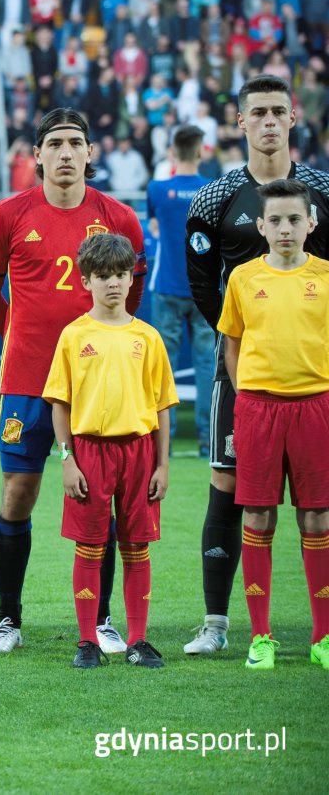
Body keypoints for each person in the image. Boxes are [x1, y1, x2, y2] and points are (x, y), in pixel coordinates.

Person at [0, 107, 147, 656]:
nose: (66, 152)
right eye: (56, 144)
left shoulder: (118, 218)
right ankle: (7, 619)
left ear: (90, 153)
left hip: (99, 384)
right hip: (26, 379)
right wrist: (19, 337)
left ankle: (103, 620)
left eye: (76, 142)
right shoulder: (7, 215)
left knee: (103, 498)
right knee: (18, 494)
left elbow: (131, 296)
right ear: (38, 155)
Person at [182, 75, 329, 656]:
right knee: (228, 484)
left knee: (318, 505)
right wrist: (245, 336)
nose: (268, 122)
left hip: (313, 383)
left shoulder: (322, 190)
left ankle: (319, 630)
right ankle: (217, 624)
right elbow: (200, 285)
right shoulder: (214, 198)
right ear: (240, 124)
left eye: (277, 112)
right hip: (240, 369)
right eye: (257, 113)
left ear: (293, 118)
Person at [43, 234, 177, 669]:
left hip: (138, 454)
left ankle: (137, 641)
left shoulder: (148, 337)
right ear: (86, 281)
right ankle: (87, 642)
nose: (113, 284)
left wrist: (162, 464)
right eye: (103, 276)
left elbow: (161, 407)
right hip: (89, 452)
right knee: (90, 545)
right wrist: (67, 459)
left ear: (130, 276)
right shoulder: (73, 335)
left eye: (120, 274)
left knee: (136, 545)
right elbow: (59, 404)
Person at [215, 178, 329, 671]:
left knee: (318, 519)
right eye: (276, 221)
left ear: (312, 223)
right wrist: (247, 400)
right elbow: (232, 344)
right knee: (258, 518)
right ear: (261, 226)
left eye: (294, 219)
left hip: (316, 407)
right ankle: (261, 637)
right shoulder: (242, 278)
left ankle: (322, 637)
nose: (285, 228)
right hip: (259, 410)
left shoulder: (326, 276)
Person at [145, 126, 213, 454]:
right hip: (203, 289)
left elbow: (155, 226)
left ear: (172, 153)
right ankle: (208, 440)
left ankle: (165, 442)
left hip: (167, 288)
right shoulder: (212, 190)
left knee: (165, 369)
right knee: (207, 365)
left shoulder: (157, 189)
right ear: (200, 152)